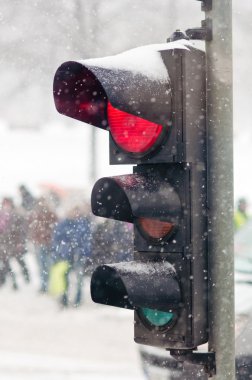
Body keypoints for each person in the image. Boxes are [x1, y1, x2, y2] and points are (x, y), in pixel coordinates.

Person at [50, 205, 91, 307]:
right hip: (66, 255)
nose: (75, 213)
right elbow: (57, 239)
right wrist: (61, 250)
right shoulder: (63, 224)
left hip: (79, 255)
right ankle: (64, 298)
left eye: (77, 211)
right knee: (64, 277)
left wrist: (84, 252)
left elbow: (87, 240)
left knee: (79, 278)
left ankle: (78, 299)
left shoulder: (83, 223)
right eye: (73, 211)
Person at [28, 197, 58, 293]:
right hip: (39, 243)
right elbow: (32, 228)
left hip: (49, 243)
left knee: (49, 265)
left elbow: (56, 228)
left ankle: (50, 285)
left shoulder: (51, 214)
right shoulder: (35, 214)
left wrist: (47, 234)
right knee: (41, 266)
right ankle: (44, 285)